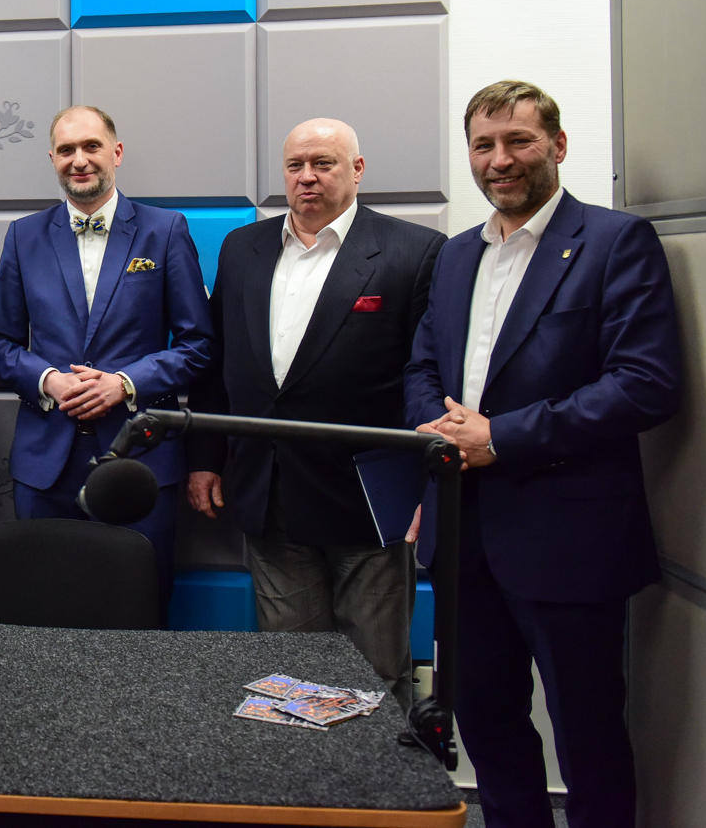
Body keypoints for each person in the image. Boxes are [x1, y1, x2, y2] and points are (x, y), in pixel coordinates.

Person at [406, 81, 679, 828]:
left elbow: (645, 385)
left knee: (589, 741)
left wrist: (500, 437)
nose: (499, 160)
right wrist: (438, 431)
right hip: (462, 536)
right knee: (486, 730)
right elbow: (423, 365)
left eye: (518, 141)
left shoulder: (615, 242)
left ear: (557, 145)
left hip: (570, 541)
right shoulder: (456, 255)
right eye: (483, 145)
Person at [186, 119, 444, 708]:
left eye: (323, 163)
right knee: (291, 678)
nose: (307, 176)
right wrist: (206, 458)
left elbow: (428, 376)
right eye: (296, 165)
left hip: (371, 500)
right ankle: (301, 768)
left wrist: (429, 486)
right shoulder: (242, 248)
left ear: (357, 169)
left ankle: (376, 771)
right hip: (268, 490)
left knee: (375, 677)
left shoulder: (414, 251)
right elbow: (218, 364)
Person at [0, 104, 213, 603]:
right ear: (52, 158)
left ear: (117, 152)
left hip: (141, 461)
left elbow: (198, 345)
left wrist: (125, 383)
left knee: (138, 607)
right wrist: (49, 380)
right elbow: (0, 344)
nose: (79, 159)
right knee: (43, 608)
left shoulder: (165, 230)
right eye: (66, 149)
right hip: (45, 466)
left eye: (92, 146)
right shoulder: (24, 235)